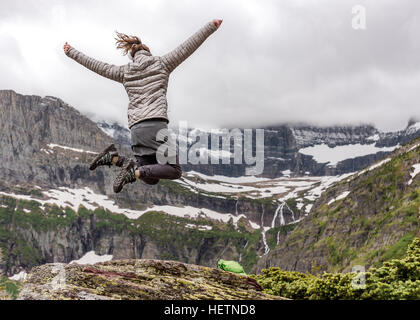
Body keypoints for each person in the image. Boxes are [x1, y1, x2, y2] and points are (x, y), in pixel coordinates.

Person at [64, 19, 223, 193]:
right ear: (148, 52)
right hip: (156, 127)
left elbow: (97, 66)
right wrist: (211, 27)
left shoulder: (124, 72)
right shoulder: (162, 63)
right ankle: (134, 171)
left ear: (132, 55)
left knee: (152, 179)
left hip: (136, 130)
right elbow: (187, 47)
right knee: (174, 170)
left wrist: (71, 52)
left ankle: (114, 159)